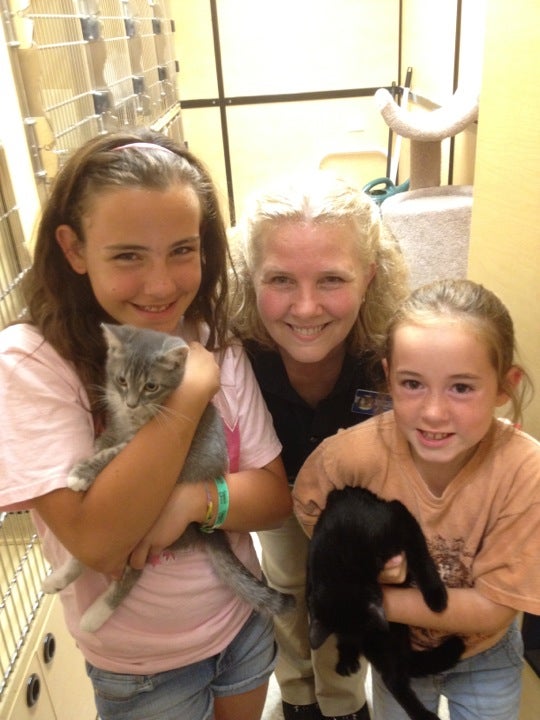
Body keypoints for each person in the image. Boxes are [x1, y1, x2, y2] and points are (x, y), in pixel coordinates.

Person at [0, 129, 293, 720]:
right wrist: (188, 392)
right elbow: (100, 542)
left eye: (182, 250)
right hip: (142, 670)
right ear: (74, 249)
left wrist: (190, 502)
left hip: (240, 627)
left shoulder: (213, 337)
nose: (161, 285)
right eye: (128, 255)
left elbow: (272, 495)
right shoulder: (32, 364)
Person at [293, 278, 540, 720]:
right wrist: (353, 559)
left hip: (485, 655)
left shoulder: (525, 472)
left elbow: (491, 609)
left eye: (461, 388)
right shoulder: (351, 455)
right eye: (412, 383)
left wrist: (359, 600)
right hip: (396, 648)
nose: (433, 412)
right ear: (388, 377)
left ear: (505, 386)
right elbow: (309, 505)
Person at [229, 171, 410, 720]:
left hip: (357, 493)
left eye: (332, 279)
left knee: (343, 589)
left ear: (370, 275)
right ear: (250, 277)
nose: (306, 308)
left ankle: (343, 701)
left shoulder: (393, 345)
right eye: (281, 280)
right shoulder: (234, 349)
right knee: (286, 581)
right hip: (272, 485)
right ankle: (297, 694)